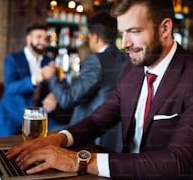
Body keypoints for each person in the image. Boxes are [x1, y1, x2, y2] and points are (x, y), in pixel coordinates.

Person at [5, 0, 193, 180]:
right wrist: (58, 139)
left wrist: (79, 161)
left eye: (134, 31)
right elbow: (99, 120)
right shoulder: (132, 71)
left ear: (165, 28)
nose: (125, 44)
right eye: (123, 33)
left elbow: (179, 164)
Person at [40, 12, 128, 151]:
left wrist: (51, 77)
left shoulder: (97, 60)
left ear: (95, 37)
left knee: (43, 134)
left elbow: (67, 99)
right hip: (117, 138)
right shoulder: (127, 59)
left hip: (90, 136)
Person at [0, 24, 56, 137]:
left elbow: (62, 82)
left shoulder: (48, 61)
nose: (42, 41)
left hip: (36, 118)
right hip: (10, 118)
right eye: (38, 37)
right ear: (28, 38)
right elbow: (10, 88)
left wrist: (53, 95)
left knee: (60, 133)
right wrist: (35, 79)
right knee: (7, 152)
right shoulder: (12, 59)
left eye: (45, 38)